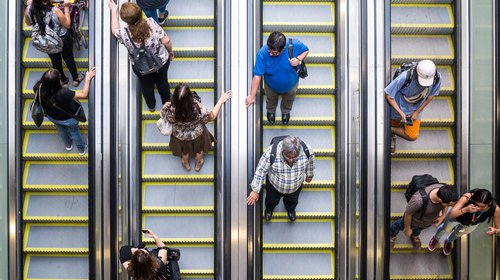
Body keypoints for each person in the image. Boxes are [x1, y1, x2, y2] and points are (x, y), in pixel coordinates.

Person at [109, 1, 174, 112]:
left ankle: (151, 106)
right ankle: (167, 105)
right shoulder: (151, 23)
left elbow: (114, 30)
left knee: (146, 86)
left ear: (125, 21)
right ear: (140, 14)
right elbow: (166, 41)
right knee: (162, 82)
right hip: (160, 62)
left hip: (141, 66)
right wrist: (171, 52)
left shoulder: (124, 34)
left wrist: (113, 11)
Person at [160, 83, 231, 171]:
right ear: (190, 96)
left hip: (180, 135)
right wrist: (221, 100)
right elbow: (211, 117)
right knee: (199, 150)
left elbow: (164, 117)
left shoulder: (168, 109)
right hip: (197, 134)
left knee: (184, 151)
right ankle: (198, 164)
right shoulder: (198, 109)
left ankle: (186, 163)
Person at [245, 32, 309, 125]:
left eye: (274, 53)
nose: (270, 54)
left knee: (289, 99)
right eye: (269, 51)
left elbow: (306, 50)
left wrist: (299, 59)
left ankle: (285, 112)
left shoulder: (294, 45)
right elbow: (257, 75)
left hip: (291, 85)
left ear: (283, 49)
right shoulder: (262, 54)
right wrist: (251, 96)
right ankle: (271, 111)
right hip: (270, 86)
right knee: (270, 99)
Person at [246, 136, 315, 222]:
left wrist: (310, 175)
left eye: (295, 157)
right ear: (283, 150)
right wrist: (255, 190)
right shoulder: (271, 152)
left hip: (295, 187)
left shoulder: (307, 151)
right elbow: (261, 170)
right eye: (288, 157)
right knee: (271, 201)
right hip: (274, 186)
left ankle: (290, 209)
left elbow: (310, 163)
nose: (291, 160)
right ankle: (269, 210)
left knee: (292, 201)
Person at [385, 60, 441, 154]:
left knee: (412, 136)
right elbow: (389, 95)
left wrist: (417, 112)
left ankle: (390, 130)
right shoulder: (404, 77)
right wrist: (400, 112)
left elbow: (430, 97)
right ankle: (392, 134)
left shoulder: (436, 78)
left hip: (416, 107)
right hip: (398, 107)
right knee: (394, 123)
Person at [25, 0, 85, 87]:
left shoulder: (28, 10)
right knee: (69, 59)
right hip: (63, 39)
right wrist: (66, 8)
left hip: (47, 41)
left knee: (55, 61)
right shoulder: (55, 11)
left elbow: (28, 23)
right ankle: (76, 79)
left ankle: (63, 81)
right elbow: (67, 24)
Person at [39, 67, 95, 155]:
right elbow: (84, 94)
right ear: (57, 82)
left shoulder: (39, 88)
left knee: (61, 130)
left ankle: (68, 145)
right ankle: (81, 149)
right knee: (74, 132)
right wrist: (87, 79)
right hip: (68, 118)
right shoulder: (64, 93)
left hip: (52, 116)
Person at [428, 189, 500, 255]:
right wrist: (466, 210)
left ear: (489, 203)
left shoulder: (495, 209)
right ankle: (436, 238)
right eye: (476, 205)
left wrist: (496, 231)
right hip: (457, 218)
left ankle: (448, 241)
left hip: (471, 224)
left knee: (457, 234)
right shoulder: (467, 197)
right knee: (444, 228)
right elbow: (451, 215)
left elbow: (499, 229)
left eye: (483, 207)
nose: (479, 208)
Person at [389, 183, 458, 250]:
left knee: (418, 229)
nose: (451, 207)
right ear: (440, 200)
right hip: (414, 221)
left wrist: (443, 216)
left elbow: (445, 205)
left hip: (426, 223)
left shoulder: (445, 189)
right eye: (450, 205)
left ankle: (415, 236)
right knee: (398, 225)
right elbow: (408, 213)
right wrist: (407, 228)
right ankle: (392, 235)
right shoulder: (418, 200)